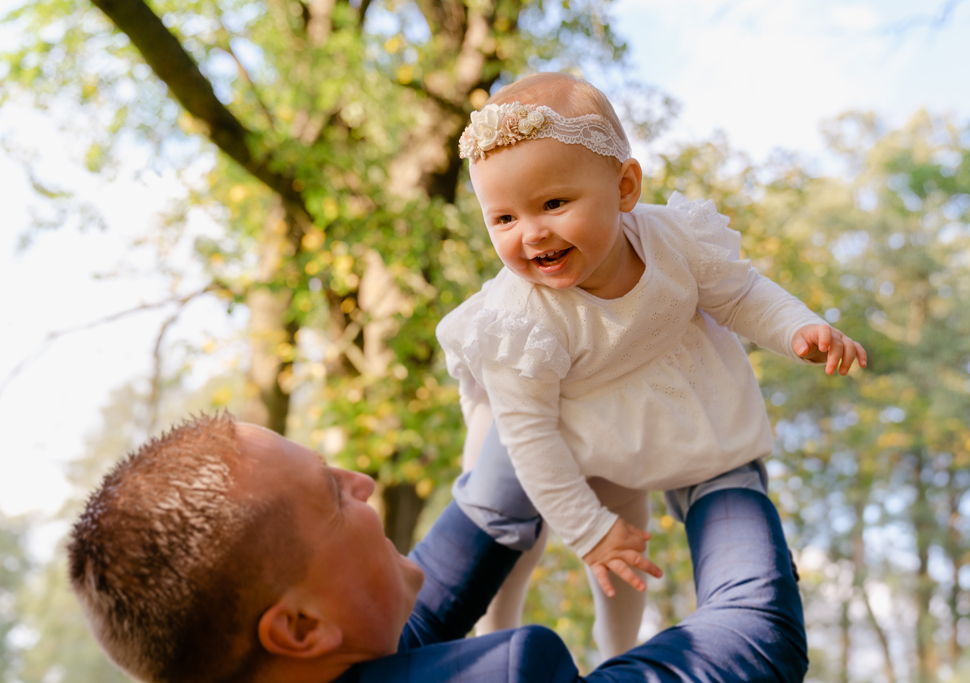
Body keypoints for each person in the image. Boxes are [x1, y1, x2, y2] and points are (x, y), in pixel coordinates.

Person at [437, 72, 868, 655]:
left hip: (645, 419)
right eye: (504, 219)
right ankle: (496, 632)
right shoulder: (523, 317)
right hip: (557, 430)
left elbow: (740, 294)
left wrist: (798, 328)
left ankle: (617, 651)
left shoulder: (675, 240)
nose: (531, 233)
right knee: (522, 533)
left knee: (626, 554)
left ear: (625, 187)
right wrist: (587, 531)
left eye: (554, 203)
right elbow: (529, 435)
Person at [67, 412, 808, 682]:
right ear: (297, 625)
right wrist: (718, 463)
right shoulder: (514, 677)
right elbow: (754, 638)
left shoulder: (296, 662)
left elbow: (406, 629)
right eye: (332, 492)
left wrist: (535, 391)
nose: (362, 480)